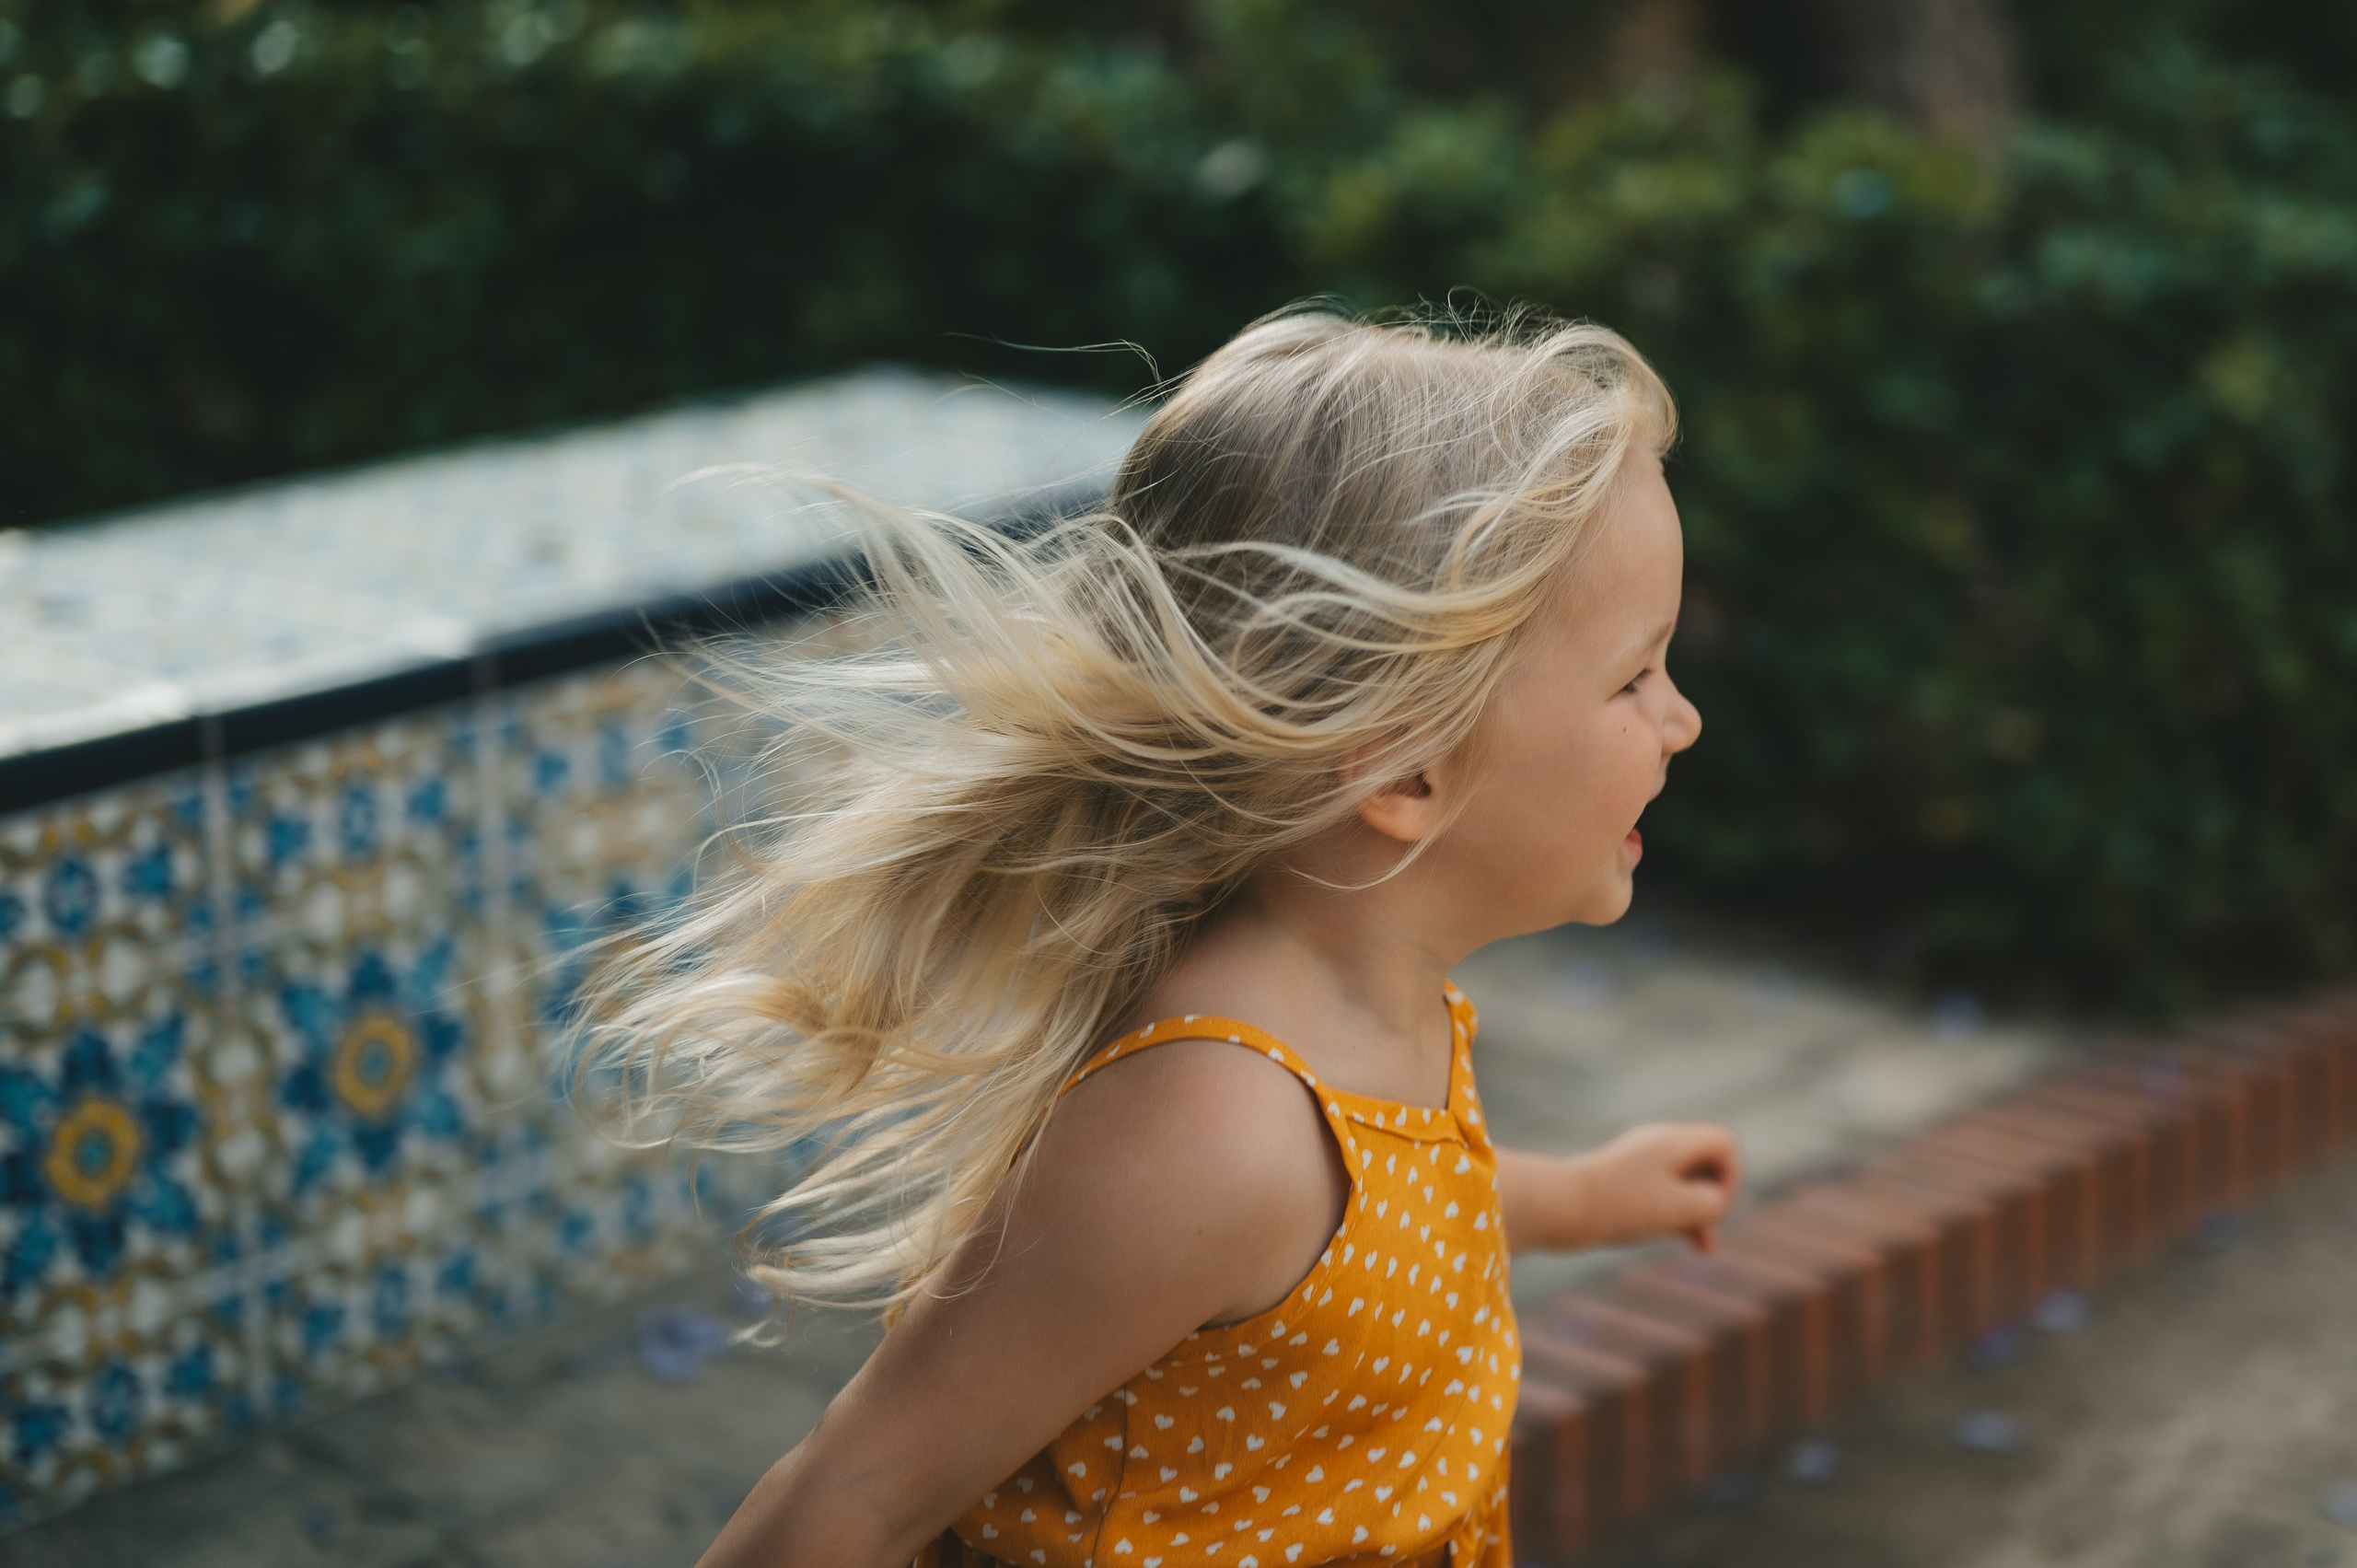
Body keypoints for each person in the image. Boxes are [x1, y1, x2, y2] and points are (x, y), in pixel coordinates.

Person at [588, 308, 1739, 1567]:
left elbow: (1395, 1215)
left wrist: (1584, 1195)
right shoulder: (1208, 1121)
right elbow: (863, 1488)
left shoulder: (1372, 1008)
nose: (1679, 721)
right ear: (1406, 766)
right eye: (1635, 678)